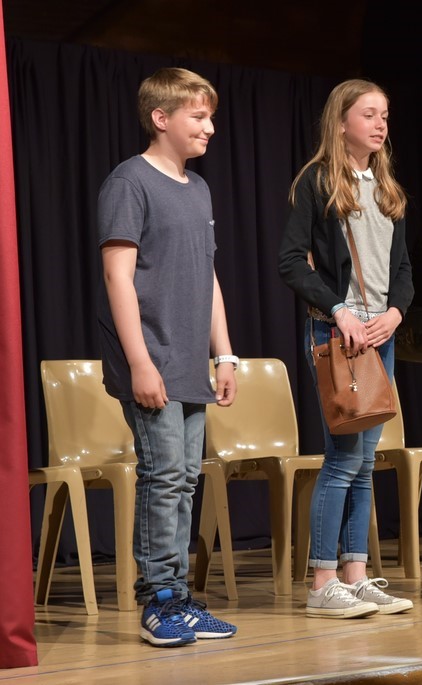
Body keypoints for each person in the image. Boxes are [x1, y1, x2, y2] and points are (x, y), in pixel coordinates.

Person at [97, 67, 239, 646]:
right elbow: (117, 275)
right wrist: (139, 361)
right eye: (197, 117)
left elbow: (206, 276)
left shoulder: (198, 188)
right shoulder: (129, 182)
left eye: (210, 117)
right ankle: (157, 601)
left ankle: (179, 596)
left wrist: (224, 353)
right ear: (162, 118)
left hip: (189, 361)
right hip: (150, 356)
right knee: (162, 478)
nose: (209, 127)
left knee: (183, 480)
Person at [279, 79, 415, 619]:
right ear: (341, 124)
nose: (380, 124)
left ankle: (356, 576)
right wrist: (339, 309)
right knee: (342, 461)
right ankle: (322, 582)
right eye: (369, 115)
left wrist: (395, 314)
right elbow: (290, 261)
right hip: (339, 336)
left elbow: (402, 271)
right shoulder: (318, 183)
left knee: (365, 463)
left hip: (381, 335)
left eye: (385, 115)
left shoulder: (388, 189)